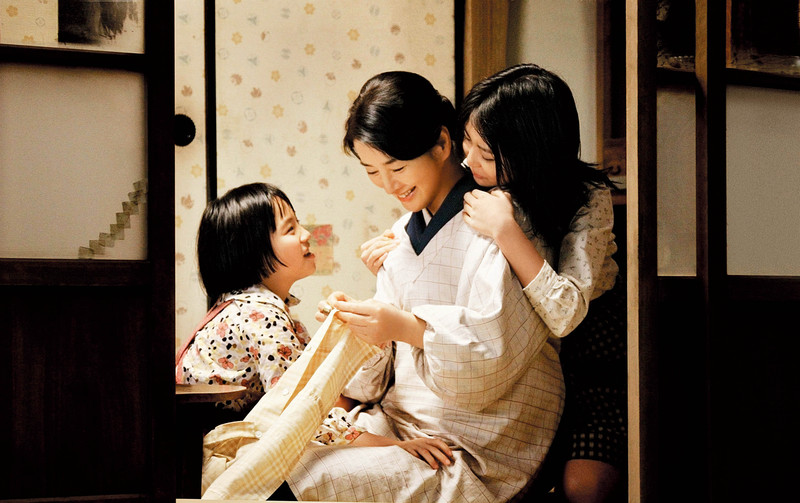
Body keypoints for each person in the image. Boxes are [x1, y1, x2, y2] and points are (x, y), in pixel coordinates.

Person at [281, 71, 565, 503]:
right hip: (398, 426)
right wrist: (360, 325)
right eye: (372, 171)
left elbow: (491, 357)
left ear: (442, 143)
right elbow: (373, 384)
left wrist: (403, 326)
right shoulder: (400, 235)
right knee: (266, 454)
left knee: (301, 480)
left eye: (397, 167)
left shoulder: (501, 221)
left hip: (472, 448)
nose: (388, 185)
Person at [176, 182, 455, 472]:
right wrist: (395, 446)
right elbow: (299, 413)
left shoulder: (242, 306)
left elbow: (315, 395)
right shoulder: (262, 317)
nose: (306, 234)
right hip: (212, 453)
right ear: (252, 250)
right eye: (290, 229)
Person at [459, 64, 627, 503]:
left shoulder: (587, 197)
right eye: (466, 142)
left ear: (531, 151)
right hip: (519, 358)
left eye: (485, 153)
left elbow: (567, 314)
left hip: (588, 352)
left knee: (583, 487)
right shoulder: (477, 180)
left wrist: (506, 230)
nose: (467, 160)